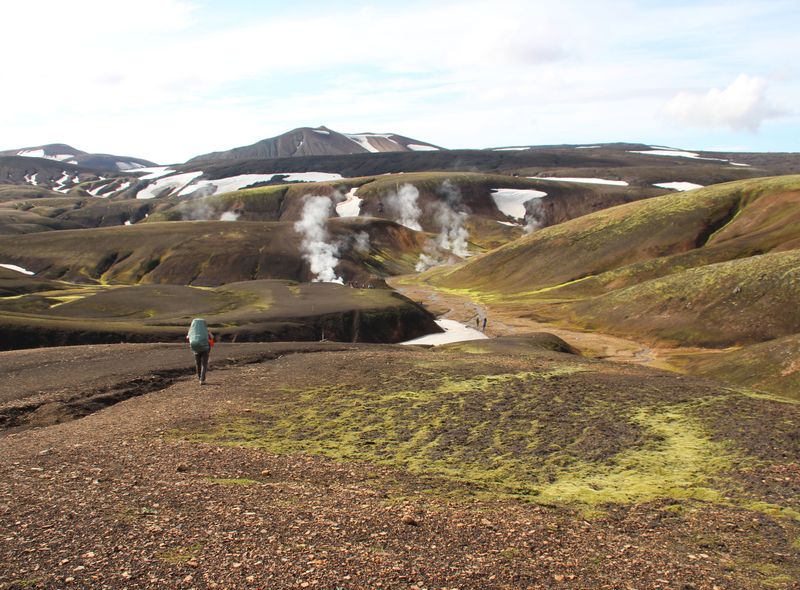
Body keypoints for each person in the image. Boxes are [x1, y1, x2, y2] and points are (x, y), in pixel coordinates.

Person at [187, 318, 215, 384]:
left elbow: (188, 337)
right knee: (204, 364)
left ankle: (199, 377)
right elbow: (212, 337)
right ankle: (202, 380)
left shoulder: (191, 330)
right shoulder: (205, 330)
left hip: (195, 349)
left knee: (198, 364)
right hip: (205, 349)